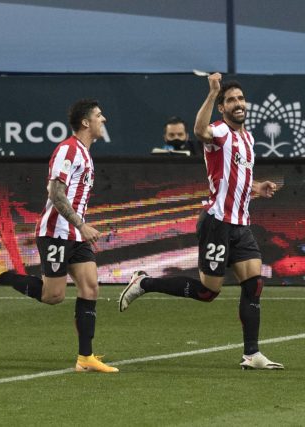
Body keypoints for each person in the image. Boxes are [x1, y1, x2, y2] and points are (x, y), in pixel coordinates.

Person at [119, 73, 284, 370]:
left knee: (254, 284)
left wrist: (258, 187)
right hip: (216, 222)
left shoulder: (247, 139)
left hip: (240, 224)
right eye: (231, 100)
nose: (238, 103)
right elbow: (198, 130)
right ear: (222, 108)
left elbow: (238, 179)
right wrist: (212, 92)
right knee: (208, 291)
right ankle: (146, 282)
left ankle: (252, 354)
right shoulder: (219, 131)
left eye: (240, 98)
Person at [0, 99, 118, 373]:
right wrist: (81, 224)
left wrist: (80, 227)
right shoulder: (68, 149)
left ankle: (85, 358)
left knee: (91, 288)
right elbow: (56, 192)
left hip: (75, 235)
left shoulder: (85, 153)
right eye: (99, 115)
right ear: (86, 122)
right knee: (53, 296)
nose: (104, 119)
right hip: (55, 234)